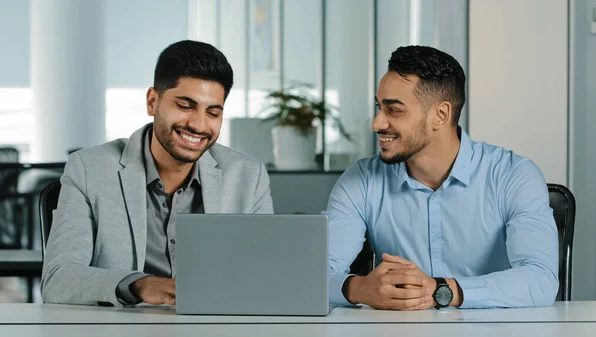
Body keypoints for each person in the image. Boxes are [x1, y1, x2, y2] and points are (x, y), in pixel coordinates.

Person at [41, 40, 274, 307]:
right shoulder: (89, 169)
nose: (199, 124)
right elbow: (58, 280)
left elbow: (265, 275)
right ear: (153, 102)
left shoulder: (247, 176)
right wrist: (138, 285)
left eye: (213, 112)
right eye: (185, 106)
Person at [326, 45, 558, 310]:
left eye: (394, 110)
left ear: (441, 115)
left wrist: (442, 290)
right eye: (379, 107)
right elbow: (313, 274)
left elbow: (540, 279)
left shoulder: (514, 176)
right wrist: (358, 288)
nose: (377, 123)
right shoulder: (361, 180)